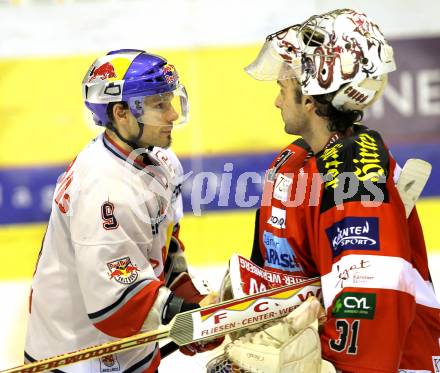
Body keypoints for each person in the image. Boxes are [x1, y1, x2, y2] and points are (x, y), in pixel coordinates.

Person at [243, 9, 440, 373]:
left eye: (282, 89)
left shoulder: (357, 170)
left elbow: (372, 305)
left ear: (309, 99)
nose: (276, 101)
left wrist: (325, 363)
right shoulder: (292, 161)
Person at [24, 49, 221, 373]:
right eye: (159, 104)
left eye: (170, 101)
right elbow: (116, 307)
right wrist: (184, 317)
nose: (172, 114)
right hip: (75, 360)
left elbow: (163, 247)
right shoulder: (104, 188)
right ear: (121, 113)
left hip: (130, 350)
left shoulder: (161, 162)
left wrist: (190, 302)